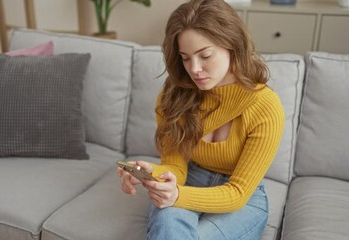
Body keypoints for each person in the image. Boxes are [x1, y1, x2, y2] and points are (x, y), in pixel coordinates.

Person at [118, 0, 285, 239]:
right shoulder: (173, 96)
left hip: (242, 199)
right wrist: (151, 173)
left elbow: (238, 193)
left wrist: (177, 196)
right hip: (189, 180)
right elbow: (176, 168)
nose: (194, 69)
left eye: (205, 55)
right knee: (168, 228)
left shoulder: (265, 106)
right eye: (185, 58)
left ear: (232, 46)